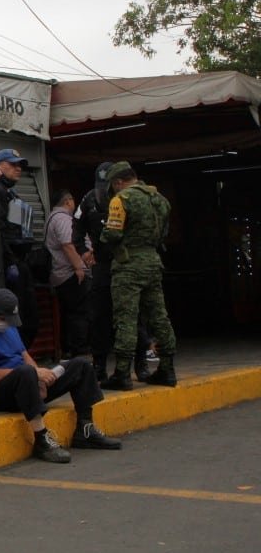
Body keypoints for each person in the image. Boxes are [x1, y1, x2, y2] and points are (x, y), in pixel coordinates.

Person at [0, 288, 122, 464]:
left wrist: (40, 381)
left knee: (81, 365)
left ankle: (85, 429)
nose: (8, 323)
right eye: (4, 319)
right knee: (26, 372)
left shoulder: (8, 326)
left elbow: (25, 356)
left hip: (28, 382)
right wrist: (35, 374)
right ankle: (42, 439)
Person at [99, 161, 179, 389]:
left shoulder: (121, 199)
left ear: (118, 182)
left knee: (125, 318)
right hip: (153, 262)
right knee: (159, 317)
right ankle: (167, 369)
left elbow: (112, 235)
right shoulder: (159, 199)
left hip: (128, 265)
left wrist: (104, 236)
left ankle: (122, 373)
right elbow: (164, 233)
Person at [73, 162, 152, 381]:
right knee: (100, 315)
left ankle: (141, 363)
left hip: (127, 263)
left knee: (134, 315)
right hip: (103, 266)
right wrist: (82, 251)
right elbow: (77, 228)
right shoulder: (89, 199)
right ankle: (99, 364)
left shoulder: (131, 198)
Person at [0, 148, 40, 348]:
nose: (18, 169)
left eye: (20, 165)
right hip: (9, 265)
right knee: (19, 319)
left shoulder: (9, 193)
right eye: (12, 164)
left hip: (20, 263)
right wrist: (9, 262)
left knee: (29, 319)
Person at [44, 189, 93, 360]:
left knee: (70, 313)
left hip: (64, 275)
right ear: (68, 201)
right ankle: (80, 351)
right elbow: (68, 245)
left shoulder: (53, 218)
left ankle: (69, 350)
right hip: (71, 274)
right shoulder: (62, 219)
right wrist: (80, 268)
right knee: (80, 313)